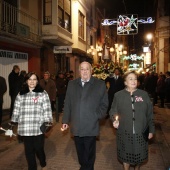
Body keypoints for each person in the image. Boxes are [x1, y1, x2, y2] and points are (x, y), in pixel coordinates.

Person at [62, 61, 108, 170]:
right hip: (76, 125)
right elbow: (67, 103)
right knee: (80, 151)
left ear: (91, 71)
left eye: (87, 69)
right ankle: (84, 166)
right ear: (79, 71)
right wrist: (65, 121)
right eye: (82, 69)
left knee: (89, 152)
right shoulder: (72, 84)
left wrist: (96, 116)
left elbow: (104, 104)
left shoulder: (99, 84)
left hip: (90, 125)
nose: (85, 71)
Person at [109, 71, 155, 170]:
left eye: (135, 79)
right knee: (126, 156)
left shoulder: (144, 94)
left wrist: (151, 130)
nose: (134, 81)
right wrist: (114, 120)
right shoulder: (118, 95)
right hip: (125, 131)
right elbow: (113, 110)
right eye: (130, 79)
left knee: (139, 156)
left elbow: (150, 114)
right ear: (125, 82)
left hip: (141, 131)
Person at [11, 72, 53, 170]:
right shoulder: (21, 94)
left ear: (37, 81)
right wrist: (13, 122)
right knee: (28, 150)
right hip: (25, 126)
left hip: (38, 126)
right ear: (26, 81)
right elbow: (16, 109)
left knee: (38, 148)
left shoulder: (42, 93)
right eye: (30, 79)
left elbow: (47, 108)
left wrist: (48, 122)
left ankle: (43, 163)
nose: (32, 82)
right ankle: (32, 167)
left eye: (34, 79)